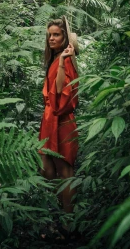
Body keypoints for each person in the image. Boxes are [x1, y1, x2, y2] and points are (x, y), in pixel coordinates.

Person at [38, 17, 80, 221]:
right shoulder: (53, 59)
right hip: (49, 121)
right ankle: (57, 217)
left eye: (56, 34)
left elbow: (60, 94)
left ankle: (68, 221)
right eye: (50, 35)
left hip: (61, 121)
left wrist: (63, 61)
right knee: (47, 169)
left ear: (65, 38)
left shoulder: (66, 61)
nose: (52, 38)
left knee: (65, 172)